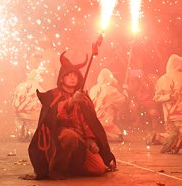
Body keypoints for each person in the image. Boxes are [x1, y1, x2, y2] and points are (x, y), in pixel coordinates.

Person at [28, 51, 116, 179]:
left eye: (74, 75)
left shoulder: (84, 98)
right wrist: (71, 101)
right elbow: (54, 116)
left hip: (81, 141)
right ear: (62, 78)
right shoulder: (53, 95)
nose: (72, 77)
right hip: (59, 139)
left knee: (99, 168)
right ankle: (57, 169)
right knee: (69, 136)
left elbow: (89, 121)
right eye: (68, 75)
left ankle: (72, 167)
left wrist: (90, 140)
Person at [88, 68, 127, 142]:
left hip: (92, 121)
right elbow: (122, 100)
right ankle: (99, 136)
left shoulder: (93, 89)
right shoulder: (111, 90)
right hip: (104, 122)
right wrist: (125, 90)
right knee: (119, 137)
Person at [11, 68, 43, 140]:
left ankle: (25, 133)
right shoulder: (36, 86)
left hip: (22, 111)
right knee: (29, 123)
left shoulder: (22, 86)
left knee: (25, 122)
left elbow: (15, 101)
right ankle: (28, 134)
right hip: (30, 112)